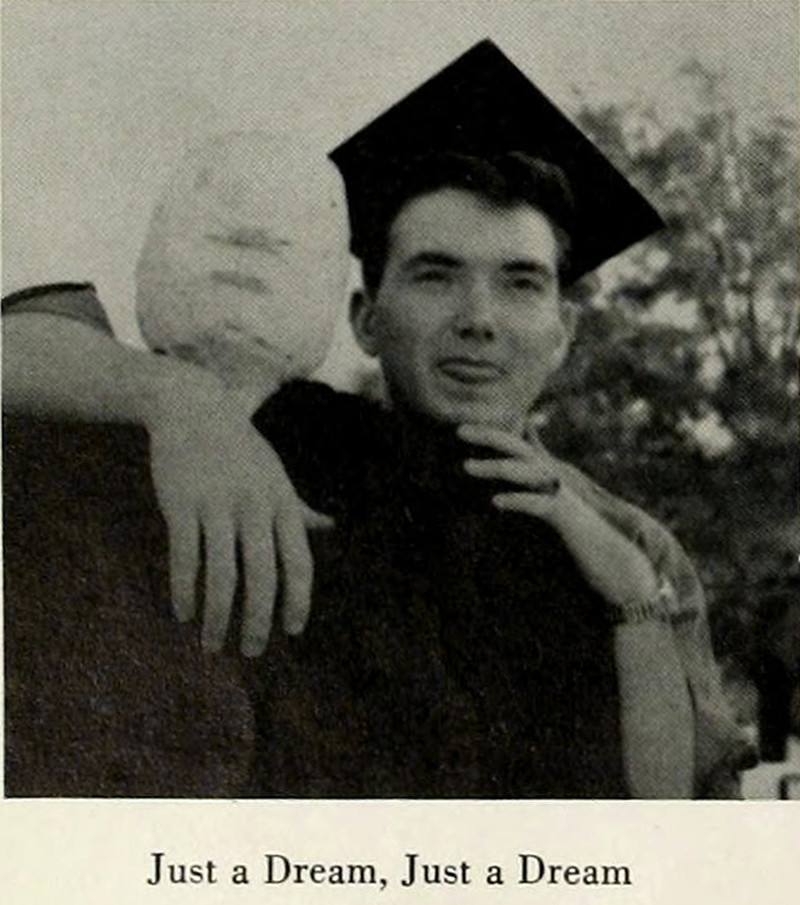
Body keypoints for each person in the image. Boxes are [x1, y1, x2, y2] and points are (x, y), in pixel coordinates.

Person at [3, 41, 753, 797]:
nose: (479, 319)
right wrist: (182, 402)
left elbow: (683, 821)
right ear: (363, 318)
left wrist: (634, 592)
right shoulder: (255, 446)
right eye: (436, 275)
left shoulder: (633, 544)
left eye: (521, 283)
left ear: (564, 334)